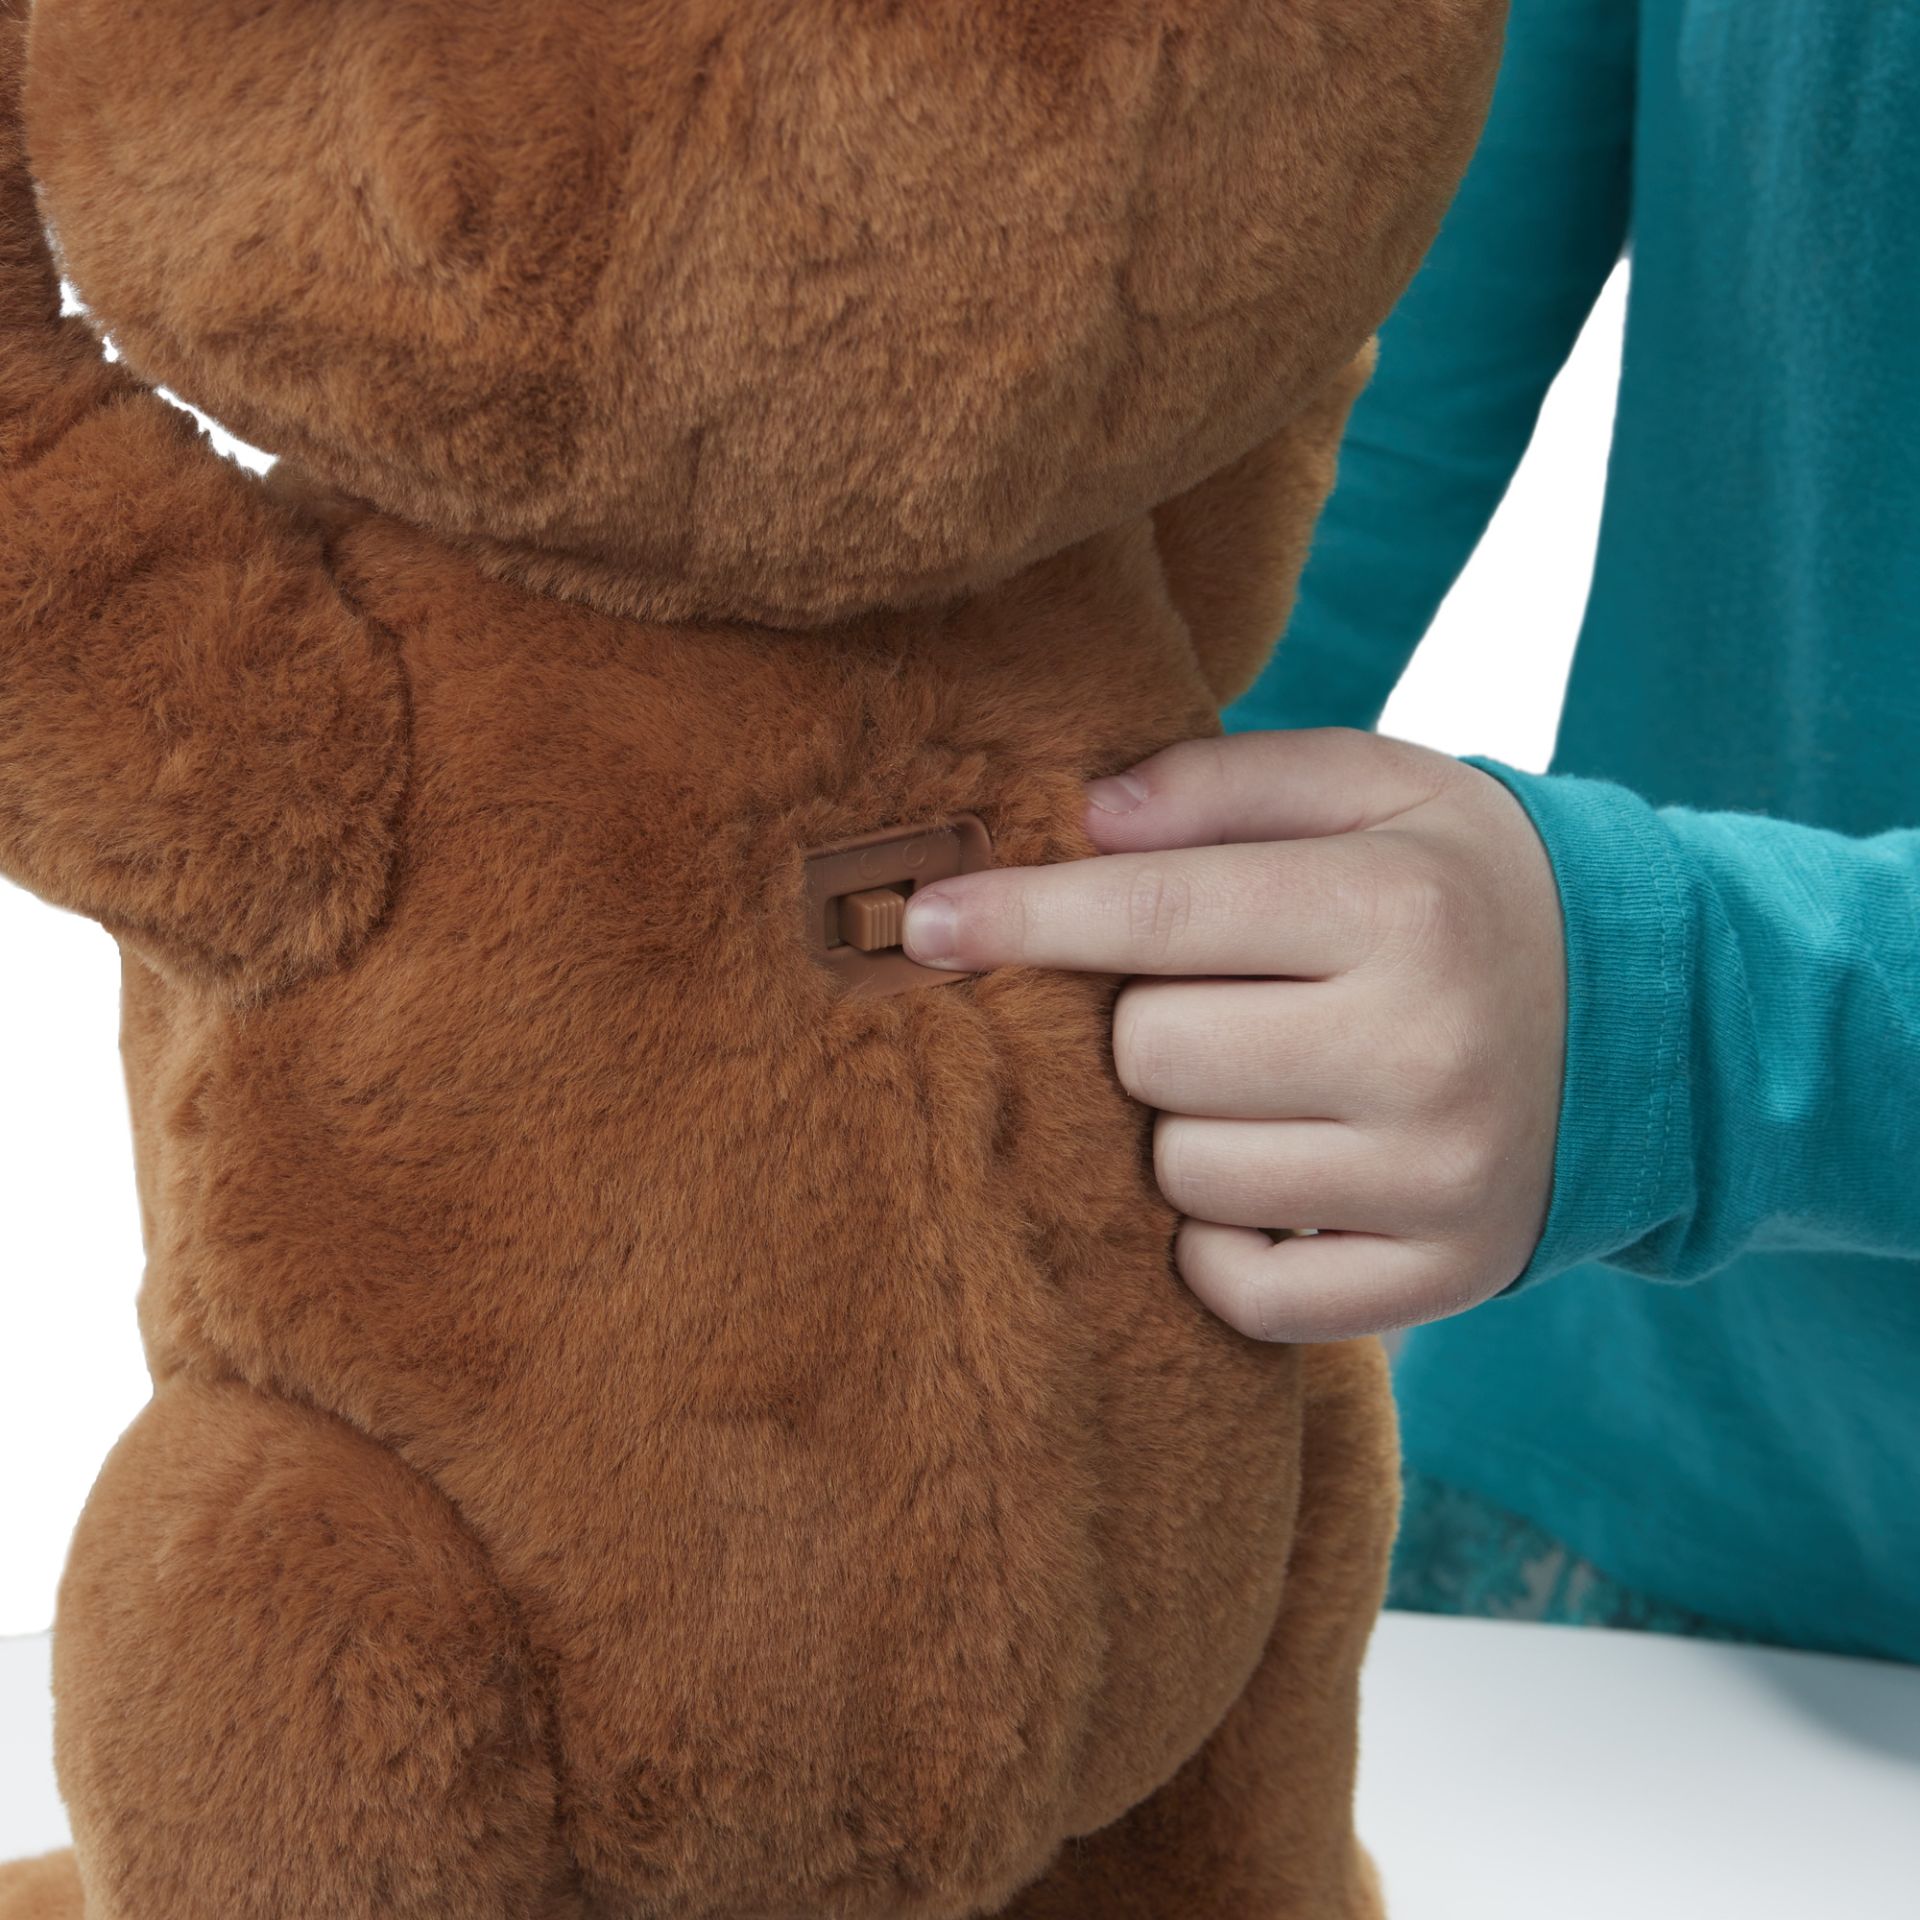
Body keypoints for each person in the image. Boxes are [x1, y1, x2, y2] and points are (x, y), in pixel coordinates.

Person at [899, 0, 1920, 1666]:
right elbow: (1349, 371)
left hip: (1582, 1229)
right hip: (1581, 1464)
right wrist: (1036, 815)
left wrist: (1679, 1029)